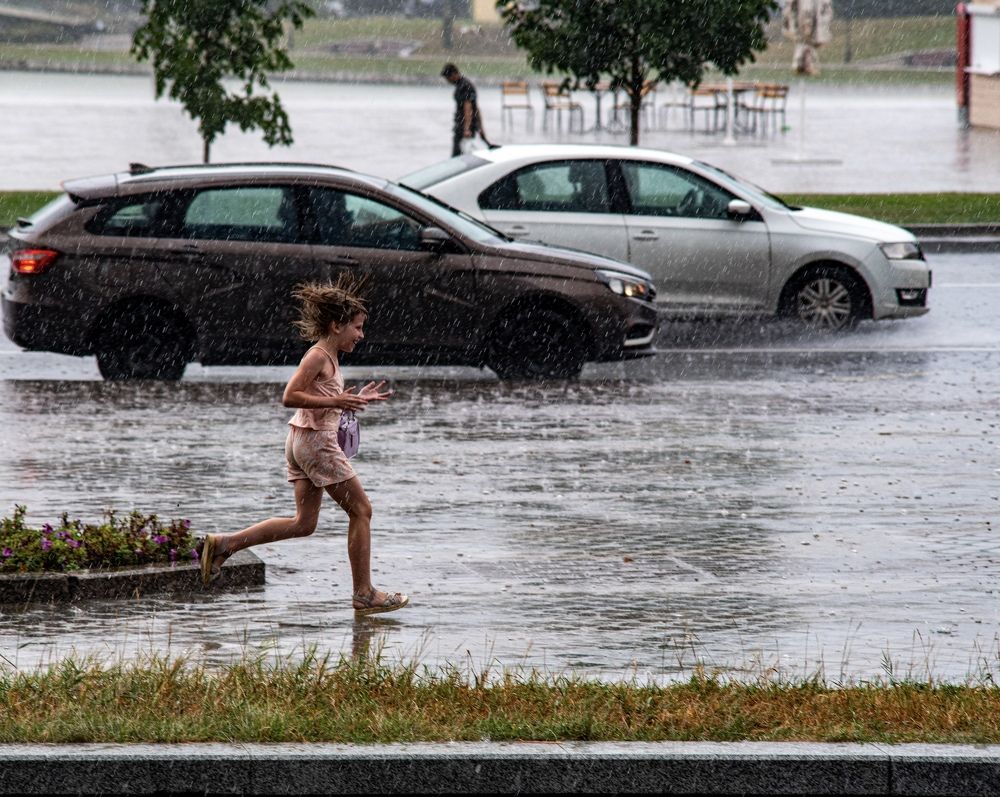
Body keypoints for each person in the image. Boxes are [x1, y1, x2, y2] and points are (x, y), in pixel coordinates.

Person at [198, 278, 407, 615]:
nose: (361, 335)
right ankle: (364, 593)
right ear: (335, 325)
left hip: (301, 441)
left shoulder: (330, 357)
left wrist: (349, 399)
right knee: (361, 510)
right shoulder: (318, 356)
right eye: (357, 327)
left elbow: (322, 398)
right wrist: (339, 399)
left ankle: (225, 544)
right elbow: (289, 396)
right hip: (315, 444)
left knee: (304, 523)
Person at [441, 62, 494, 156]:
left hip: (464, 128)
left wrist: (466, 129)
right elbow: (476, 108)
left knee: (457, 156)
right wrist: (481, 129)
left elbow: (468, 108)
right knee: (464, 154)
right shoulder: (464, 84)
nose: (448, 81)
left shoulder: (464, 86)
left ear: (453, 74)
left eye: (448, 78)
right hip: (468, 126)